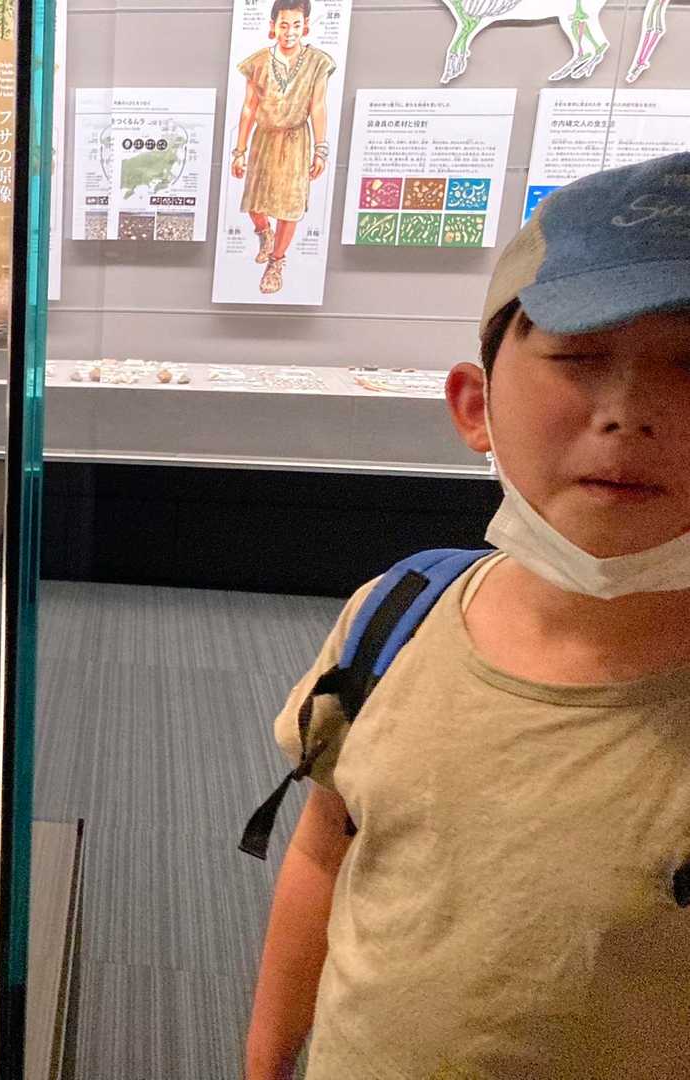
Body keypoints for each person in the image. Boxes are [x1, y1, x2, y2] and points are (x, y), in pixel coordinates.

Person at [244, 151, 690, 1079]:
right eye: (578, 358)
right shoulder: (395, 616)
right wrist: (266, 1058)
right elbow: (327, 849)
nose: (629, 413)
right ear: (474, 405)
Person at [230, 0, 335, 295]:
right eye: (284, 24)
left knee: (289, 208)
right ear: (273, 26)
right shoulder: (258, 62)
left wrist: (321, 149)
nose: (290, 32)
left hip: (296, 141)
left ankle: (276, 262)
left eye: (296, 25)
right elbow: (249, 108)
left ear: (306, 26)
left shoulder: (318, 62)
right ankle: (265, 232)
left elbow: (318, 107)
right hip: (263, 140)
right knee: (255, 205)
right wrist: (239, 151)